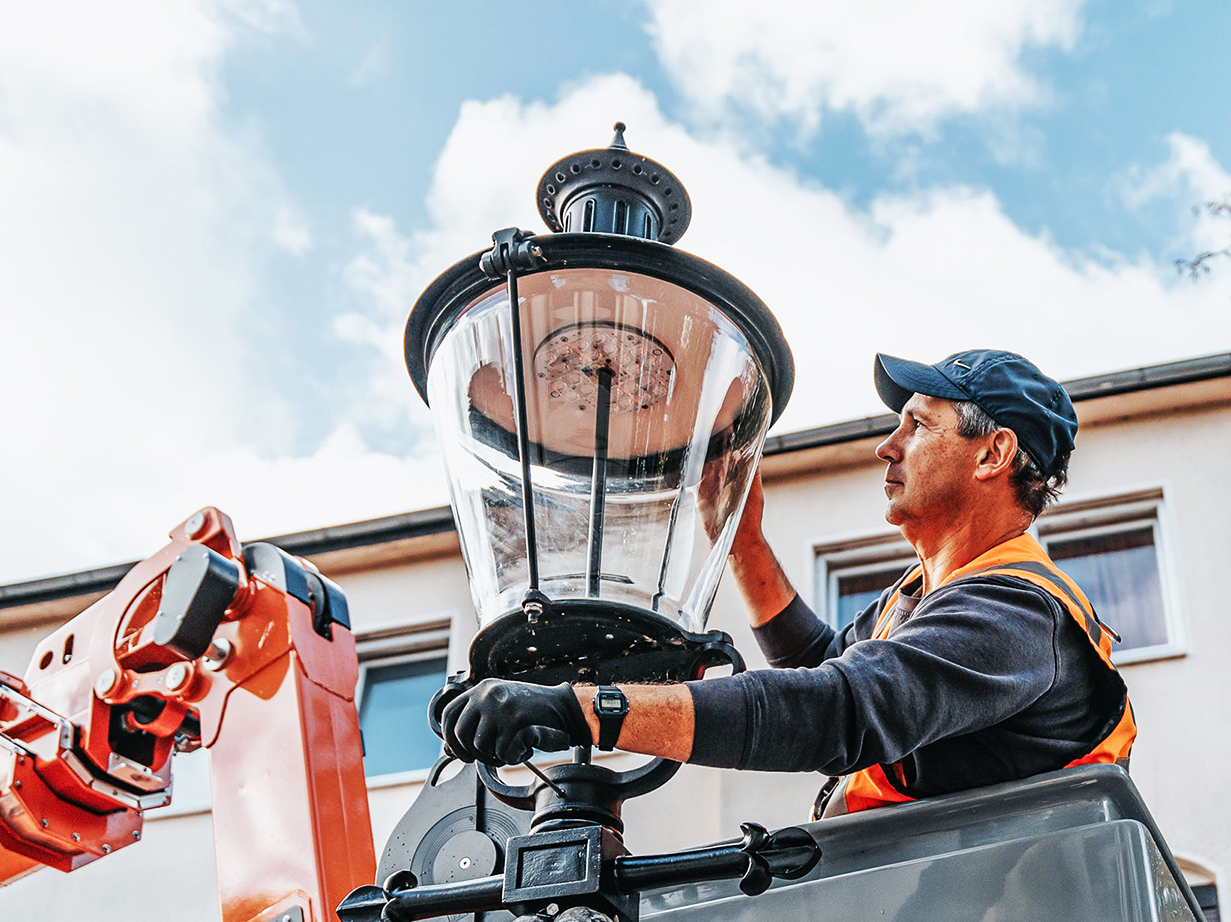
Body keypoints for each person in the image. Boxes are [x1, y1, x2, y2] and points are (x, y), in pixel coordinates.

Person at [438, 348, 1136, 814]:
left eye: (917, 425)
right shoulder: (924, 599)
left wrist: (583, 708)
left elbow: (839, 710)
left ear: (993, 453)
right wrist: (742, 543)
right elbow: (826, 667)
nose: (885, 446)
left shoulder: (1014, 613)